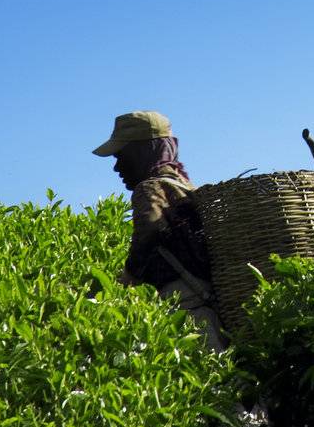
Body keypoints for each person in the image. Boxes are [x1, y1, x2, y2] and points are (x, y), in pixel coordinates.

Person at [91, 110, 226, 352]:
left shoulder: (149, 188)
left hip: (187, 304)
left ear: (143, 151)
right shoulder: (188, 187)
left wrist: (119, 283)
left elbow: (150, 233)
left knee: (207, 378)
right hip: (213, 301)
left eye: (121, 155)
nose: (117, 167)